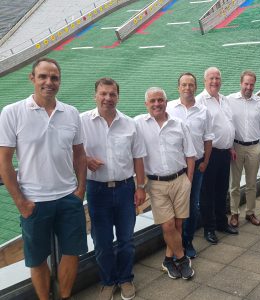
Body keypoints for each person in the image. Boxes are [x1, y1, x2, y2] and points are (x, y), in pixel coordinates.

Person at [0, 57, 87, 300]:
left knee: (72, 252)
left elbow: (79, 155)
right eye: (43, 77)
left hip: (68, 197)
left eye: (54, 78)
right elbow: (4, 162)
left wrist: (80, 190)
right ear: (32, 79)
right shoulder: (12, 112)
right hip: (34, 201)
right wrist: (21, 202)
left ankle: (65, 296)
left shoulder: (70, 113)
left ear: (59, 81)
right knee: (37, 258)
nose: (49, 82)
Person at [80, 78, 146, 300]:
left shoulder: (130, 123)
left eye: (112, 94)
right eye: (103, 94)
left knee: (127, 238)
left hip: (126, 188)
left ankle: (126, 278)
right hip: (97, 190)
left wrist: (141, 187)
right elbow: (70, 151)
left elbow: (138, 158)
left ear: (118, 96)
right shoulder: (82, 122)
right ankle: (108, 281)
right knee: (102, 240)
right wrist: (86, 159)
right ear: (95, 95)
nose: (107, 98)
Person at [135, 87, 196, 280]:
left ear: (166, 101)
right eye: (152, 101)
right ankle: (182, 258)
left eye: (160, 100)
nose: (156, 104)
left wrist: (188, 181)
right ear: (146, 104)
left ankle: (168, 260)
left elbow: (191, 154)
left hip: (180, 179)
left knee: (178, 224)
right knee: (168, 225)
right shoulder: (138, 124)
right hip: (156, 183)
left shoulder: (179, 124)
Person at [167, 72, 214, 258]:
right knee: (174, 208)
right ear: (178, 87)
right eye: (184, 85)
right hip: (175, 168)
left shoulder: (203, 111)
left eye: (191, 85)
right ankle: (174, 245)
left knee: (192, 206)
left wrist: (206, 162)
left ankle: (187, 241)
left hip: (197, 165)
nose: (187, 88)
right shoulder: (169, 108)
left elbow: (208, 138)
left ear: (195, 87)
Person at [196, 67, 238, 244]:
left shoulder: (224, 99)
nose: (215, 81)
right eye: (211, 78)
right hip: (210, 154)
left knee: (222, 191)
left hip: (225, 153)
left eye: (217, 78)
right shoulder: (200, 101)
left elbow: (228, 123)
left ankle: (221, 223)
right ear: (205, 81)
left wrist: (230, 146)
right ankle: (209, 229)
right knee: (208, 194)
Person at [227, 70, 260, 227]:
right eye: (246, 83)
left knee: (252, 183)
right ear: (241, 83)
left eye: (251, 84)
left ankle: (250, 213)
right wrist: (230, 146)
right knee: (235, 184)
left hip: (254, 147)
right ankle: (234, 213)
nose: (249, 87)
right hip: (236, 147)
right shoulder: (230, 100)